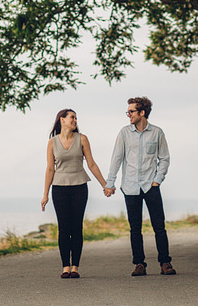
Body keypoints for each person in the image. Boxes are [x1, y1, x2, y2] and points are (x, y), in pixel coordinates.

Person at [104, 97, 177, 276]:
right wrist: (110, 183)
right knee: (135, 228)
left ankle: (165, 262)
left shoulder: (157, 133)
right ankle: (139, 264)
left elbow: (164, 158)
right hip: (130, 186)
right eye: (127, 112)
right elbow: (116, 158)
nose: (128, 115)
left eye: (131, 111)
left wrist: (157, 181)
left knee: (159, 226)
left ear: (142, 113)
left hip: (150, 186)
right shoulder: (124, 133)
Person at [41, 108, 109, 279]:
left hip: (79, 186)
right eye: (72, 117)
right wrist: (45, 194)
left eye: (76, 118)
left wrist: (105, 185)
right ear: (62, 120)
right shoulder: (52, 142)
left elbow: (92, 164)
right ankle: (65, 266)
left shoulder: (82, 139)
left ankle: (75, 267)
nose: (75, 120)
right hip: (59, 188)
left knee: (77, 227)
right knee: (64, 228)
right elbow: (50, 168)